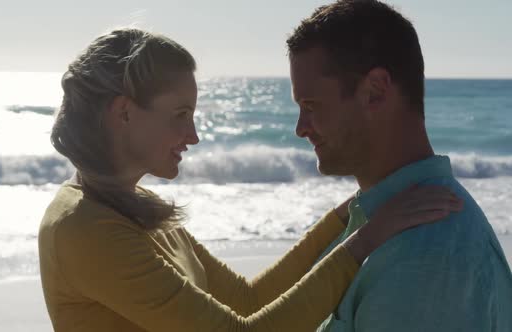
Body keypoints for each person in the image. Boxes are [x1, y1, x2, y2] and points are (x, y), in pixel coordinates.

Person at [38, 28, 461, 332]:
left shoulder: (132, 204)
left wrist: (350, 213)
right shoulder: (85, 229)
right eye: (180, 115)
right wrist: (366, 239)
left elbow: (246, 299)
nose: (194, 136)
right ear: (124, 112)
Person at [286, 1, 512, 331]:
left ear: (375, 91)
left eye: (311, 105)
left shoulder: (427, 258)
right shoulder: (374, 221)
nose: (300, 127)